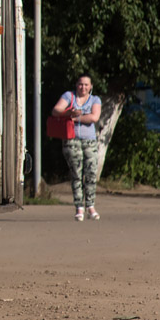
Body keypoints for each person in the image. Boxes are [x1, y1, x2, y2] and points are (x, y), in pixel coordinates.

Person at [52, 74, 103, 220]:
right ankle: (79, 207)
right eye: (81, 84)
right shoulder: (69, 96)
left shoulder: (95, 100)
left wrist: (75, 118)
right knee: (76, 174)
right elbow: (56, 110)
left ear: (91, 86)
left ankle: (91, 205)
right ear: (76, 84)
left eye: (86, 85)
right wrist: (68, 113)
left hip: (90, 141)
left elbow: (94, 117)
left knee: (91, 173)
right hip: (71, 140)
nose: (83, 87)